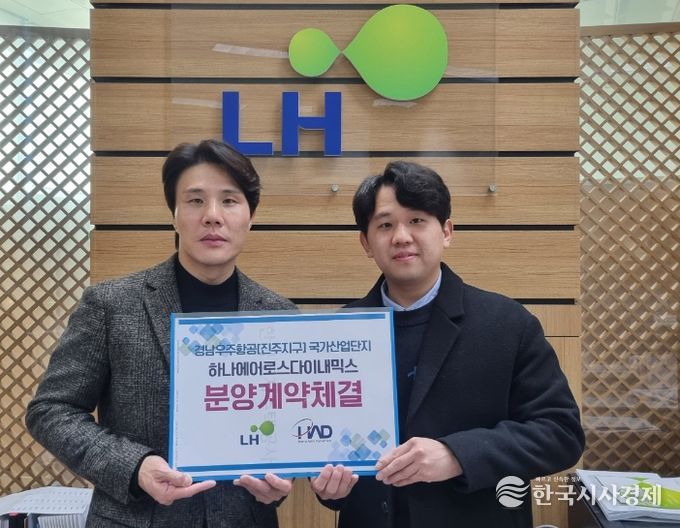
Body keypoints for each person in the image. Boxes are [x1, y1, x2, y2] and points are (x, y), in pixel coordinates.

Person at [26, 140, 295, 528]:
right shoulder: (111, 304)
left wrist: (280, 482)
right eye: (195, 201)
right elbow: (51, 411)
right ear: (174, 215)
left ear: (250, 217)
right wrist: (134, 466)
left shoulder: (279, 315)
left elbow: (286, 431)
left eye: (229, 201)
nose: (212, 216)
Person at [311, 161, 585, 527]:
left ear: (446, 231)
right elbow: (322, 445)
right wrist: (329, 487)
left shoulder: (508, 324)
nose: (401, 237)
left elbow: (560, 433)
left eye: (417, 220)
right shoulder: (337, 333)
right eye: (385, 225)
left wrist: (457, 455)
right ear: (366, 242)